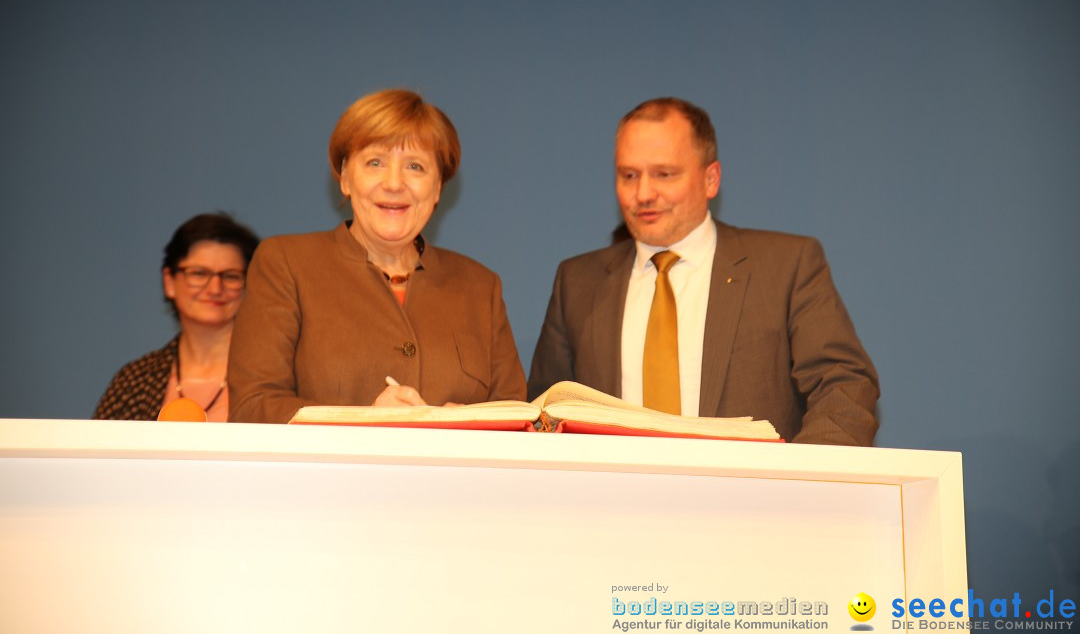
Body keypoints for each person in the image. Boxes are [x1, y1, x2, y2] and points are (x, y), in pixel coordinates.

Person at [528, 97, 879, 445]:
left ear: (711, 179)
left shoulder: (787, 266)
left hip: (753, 499)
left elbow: (845, 385)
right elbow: (544, 415)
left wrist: (801, 485)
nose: (643, 193)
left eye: (664, 174)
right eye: (629, 175)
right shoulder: (576, 283)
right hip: (614, 499)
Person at [228, 89, 527, 423]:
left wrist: (477, 423)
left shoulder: (480, 286)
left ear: (438, 187)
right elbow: (252, 407)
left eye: (415, 166)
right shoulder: (286, 264)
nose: (394, 183)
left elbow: (516, 418)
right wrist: (363, 421)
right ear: (345, 176)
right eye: (375, 163)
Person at [93, 213, 260, 421]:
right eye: (199, 273)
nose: (215, 288)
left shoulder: (272, 379)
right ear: (169, 282)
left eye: (231, 276)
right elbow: (103, 451)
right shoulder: (135, 381)